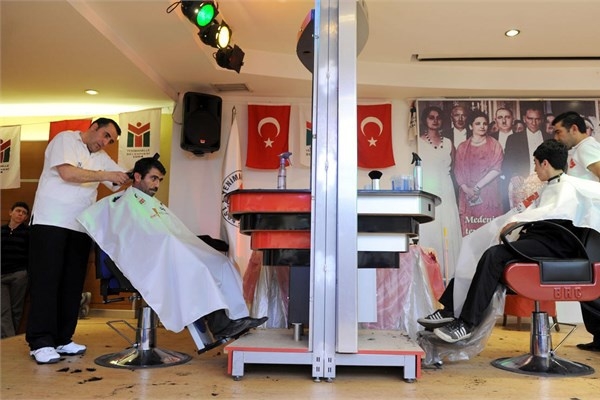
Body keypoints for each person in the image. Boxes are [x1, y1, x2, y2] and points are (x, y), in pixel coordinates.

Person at [418, 139, 600, 344]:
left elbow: (553, 211)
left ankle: (466, 324)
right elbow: (539, 211)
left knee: (494, 255)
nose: (535, 169)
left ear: (545, 163)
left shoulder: (567, 187)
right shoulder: (551, 186)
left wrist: (518, 221)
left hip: (556, 245)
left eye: (536, 163)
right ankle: (449, 310)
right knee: (479, 249)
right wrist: (514, 221)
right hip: (541, 240)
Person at [77, 156, 267, 345]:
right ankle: (220, 325)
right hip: (146, 262)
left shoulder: (153, 204)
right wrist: (169, 243)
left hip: (168, 253)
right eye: (153, 178)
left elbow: (173, 233)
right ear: (137, 176)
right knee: (196, 268)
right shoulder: (121, 202)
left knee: (222, 263)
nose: (157, 185)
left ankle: (238, 317)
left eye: (160, 180)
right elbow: (125, 237)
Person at [26, 118, 130, 364]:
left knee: (72, 285)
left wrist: (141, 173)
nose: (105, 142)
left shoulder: (101, 157)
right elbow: (68, 173)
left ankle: (63, 338)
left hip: (80, 226)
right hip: (50, 221)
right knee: (47, 282)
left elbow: (121, 179)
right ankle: (40, 342)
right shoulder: (65, 139)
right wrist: (106, 174)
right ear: (93, 127)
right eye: (105, 135)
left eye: (110, 140)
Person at [552, 111, 600, 352]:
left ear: (573, 128)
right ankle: (599, 337)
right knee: (587, 277)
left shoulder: (586, 148)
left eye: (558, 131)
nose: (556, 137)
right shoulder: (579, 151)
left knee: (590, 278)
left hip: (592, 226)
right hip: (585, 224)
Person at [418, 106, 463, 282]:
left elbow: (455, 168)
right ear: (425, 120)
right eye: (431, 117)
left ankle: (450, 275)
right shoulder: (419, 142)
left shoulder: (449, 143)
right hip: (429, 188)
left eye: (438, 117)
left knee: (448, 226)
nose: (435, 120)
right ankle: (431, 275)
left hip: (446, 188)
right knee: (431, 228)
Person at [453, 110, 504, 236]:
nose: (482, 126)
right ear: (471, 126)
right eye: (478, 123)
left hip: (489, 195)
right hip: (468, 196)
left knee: (490, 233)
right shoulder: (462, 147)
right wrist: (467, 190)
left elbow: (496, 169)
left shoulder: (495, 145)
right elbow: (458, 171)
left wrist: (476, 188)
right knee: (470, 234)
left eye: (485, 123)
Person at [1, 202, 30, 338]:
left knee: (16, 309)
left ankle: (7, 339)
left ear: (26, 218)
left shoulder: (28, 233)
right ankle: (9, 339)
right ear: (10, 212)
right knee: (3, 309)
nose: (20, 214)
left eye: (24, 213)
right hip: (1, 274)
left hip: (19, 274)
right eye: (18, 211)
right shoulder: (1, 231)